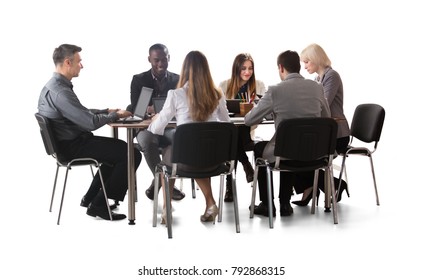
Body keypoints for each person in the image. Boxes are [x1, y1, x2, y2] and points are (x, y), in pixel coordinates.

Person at [38, 44, 142, 221]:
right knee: (132, 153)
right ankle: (99, 205)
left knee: (118, 151)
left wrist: (106, 110)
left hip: (67, 144)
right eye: (79, 62)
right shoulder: (60, 92)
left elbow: (80, 112)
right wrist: (115, 115)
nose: (82, 65)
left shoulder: (54, 86)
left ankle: (90, 198)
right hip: (73, 147)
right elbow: (90, 123)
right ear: (68, 62)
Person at [148, 50, 231, 224]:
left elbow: (156, 129)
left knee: (168, 159)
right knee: (199, 152)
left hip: (186, 160)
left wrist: (158, 117)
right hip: (214, 159)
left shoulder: (176, 95)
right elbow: (227, 124)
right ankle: (210, 203)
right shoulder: (217, 95)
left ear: (185, 70)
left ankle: (167, 209)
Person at [244, 50, 330, 217]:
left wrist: (268, 109)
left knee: (263, 148)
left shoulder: (275, 90)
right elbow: (326, 118)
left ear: (281, 68)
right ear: (298, 67)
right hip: (314, 153)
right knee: (289, 145)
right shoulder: (317, 88)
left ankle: (267, 203)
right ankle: (285, 204)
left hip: (285, 153)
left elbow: (249, 120)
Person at [292, 43, 351, 206]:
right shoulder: (317, 79)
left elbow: (322, 104)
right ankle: (311, 186)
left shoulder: (332, 76)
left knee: (301, 150)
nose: (304, 67)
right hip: (324, 132)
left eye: (307, 62)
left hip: (337, 134)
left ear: (316, 59)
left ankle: (327, 185)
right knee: (293, 148)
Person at [129, 43, 185, 201]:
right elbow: (135, 108)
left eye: (164, 60)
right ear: (149, 59)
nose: (160, 64)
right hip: (146, 127)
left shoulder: (177, 79)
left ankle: (159, 183)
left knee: (177, 140)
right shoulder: (139, 80)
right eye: (156, 60)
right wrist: (151, 110)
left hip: (169, 126)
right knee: (147, 140)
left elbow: (182, 105)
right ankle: (166, 183)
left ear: (169, 58)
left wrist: (158, 109)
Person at [218, 53, 267, 202]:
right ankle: (245, 163)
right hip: (229, 132)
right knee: (233, 135)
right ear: (236, 69)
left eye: (250, 68)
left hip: (248, 130)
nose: (247, 72)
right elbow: (218, 112)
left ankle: (230, 188)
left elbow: (262, 110)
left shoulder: (259, 85)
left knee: (236, 136)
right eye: (243, 68)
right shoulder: (224, 86)